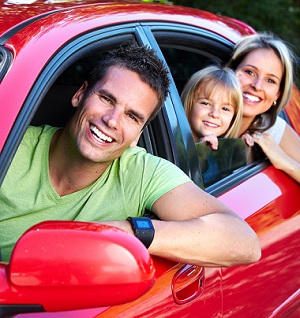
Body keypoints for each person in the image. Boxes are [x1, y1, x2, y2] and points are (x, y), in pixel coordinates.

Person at [0, 42, 261, 266]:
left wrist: (126, 231)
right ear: (80, 94)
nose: (112, 121)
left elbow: (243, 241)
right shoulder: (11, 146)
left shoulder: (142, 173)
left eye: (132, 116)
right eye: (107, 99)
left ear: (140, 131)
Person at [227, 32, 300, 183]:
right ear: (230, 71)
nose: (257, 86)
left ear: (277, 94)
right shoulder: (201, 114)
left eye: (270, 80)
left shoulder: (272, 130)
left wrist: (284, 161)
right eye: (249, 72)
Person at [181, 65, 243, 150]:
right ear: (189, 103)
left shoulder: (225, 153)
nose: (214, 114)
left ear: (233, 117)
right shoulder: (172, 142)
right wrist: (199, 151)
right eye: (206, 103)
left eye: (225, 108)